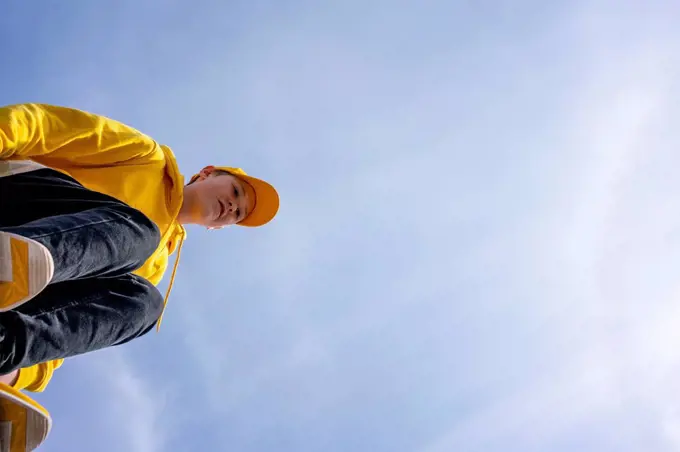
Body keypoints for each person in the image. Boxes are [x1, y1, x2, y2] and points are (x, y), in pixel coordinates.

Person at [0, 103, 280, 392]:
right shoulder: (147, 158)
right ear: (207, 173)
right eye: (235, 192)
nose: (233, 206)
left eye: (237, 214)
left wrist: (18, 375)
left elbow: (69, 322)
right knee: (141, 235)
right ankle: (9, 261)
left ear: (218, 227)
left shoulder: (153, 266)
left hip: (27, 285)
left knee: (145, 304)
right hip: (17, 200)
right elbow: (43, 125)